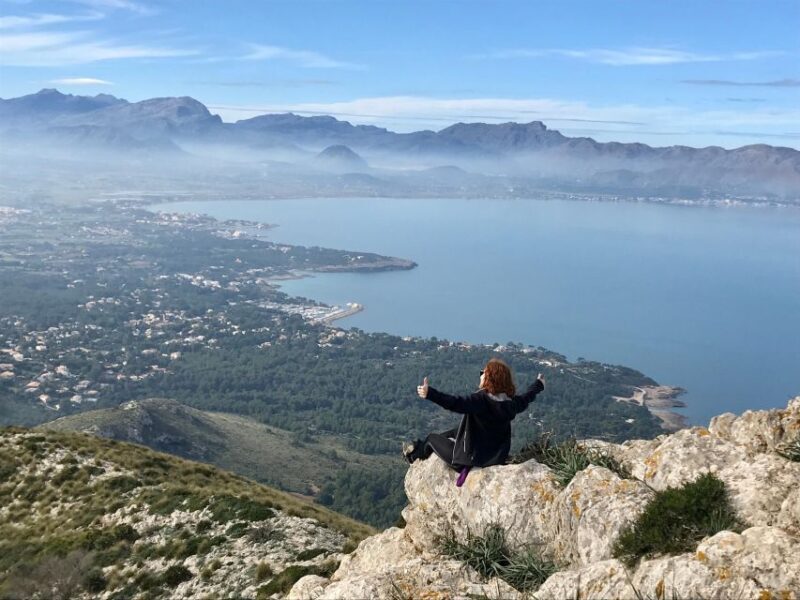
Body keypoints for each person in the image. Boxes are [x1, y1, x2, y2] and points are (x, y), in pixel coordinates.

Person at [403, 358, 545, 472]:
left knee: (431, 438)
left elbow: (455, 403)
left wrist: (430, 394)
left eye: (483, 372)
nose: (481, 374)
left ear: (490, 378)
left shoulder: (481, 400)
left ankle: (413, 456)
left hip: (468, 459)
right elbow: (527, 397)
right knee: (456, 430)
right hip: (495, 458)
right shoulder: (511, 404)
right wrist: (538, 384)